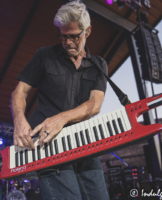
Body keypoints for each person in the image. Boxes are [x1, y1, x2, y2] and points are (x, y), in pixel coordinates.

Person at [11, 1, 110, 199]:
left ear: (87, 31)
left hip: (85, 142)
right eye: (63, 36)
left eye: (74, 36)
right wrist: (19, 120)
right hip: (49, 144)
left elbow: (94, 105)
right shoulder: (44, 55)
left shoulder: (99, 65)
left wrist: (62, 118)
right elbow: (19, 92)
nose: (67, 42)